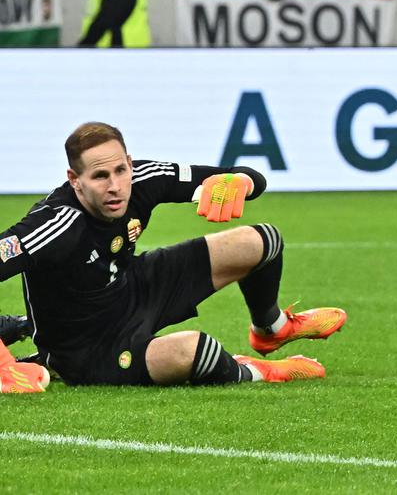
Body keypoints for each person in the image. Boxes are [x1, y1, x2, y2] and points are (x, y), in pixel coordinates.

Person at [0, 121, 348, 388]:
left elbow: (243, 176)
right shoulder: (57, 223)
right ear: (75, 180)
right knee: (194, 351)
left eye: (121, 170)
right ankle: (258, 371)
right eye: (100, 176)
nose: (115, 186)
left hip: (133, 288)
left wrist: (241, 182)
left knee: (262, 240)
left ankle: (272, 328)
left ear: (129, 163)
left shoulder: (143, 177)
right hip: (88, 348)